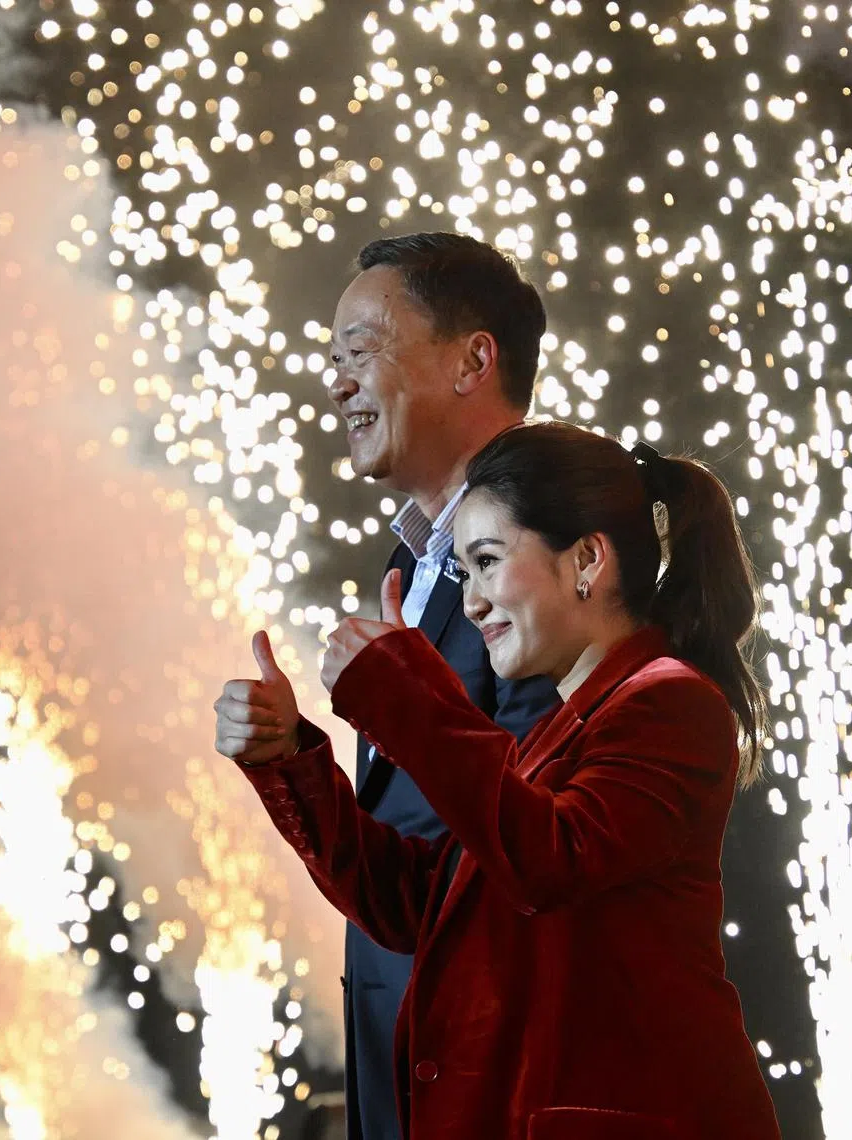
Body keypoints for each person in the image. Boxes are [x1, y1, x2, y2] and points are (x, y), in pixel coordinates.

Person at [220, 421, 781, 1139]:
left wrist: (410, 697)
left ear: (587, 559)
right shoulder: (558, 728)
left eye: (487, 561)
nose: (474, 602)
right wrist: (289, 758)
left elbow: (553, 859)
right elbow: (419, 906)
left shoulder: (670, 700)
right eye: (466, 571)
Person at [213, 233, 558, 1140]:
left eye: (359, 351)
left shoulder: (550, 550)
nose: (335, 384)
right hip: (413, 1062)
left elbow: (527, 841)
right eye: (332, 360)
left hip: (498, 1080)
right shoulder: (415, 566)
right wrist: (291, 754)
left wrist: (391, 688)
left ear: (472, 360)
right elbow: (413, 859)